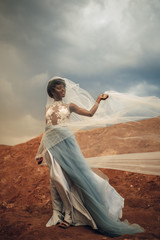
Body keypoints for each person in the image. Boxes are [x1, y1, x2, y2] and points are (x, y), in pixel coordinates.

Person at [36, 77, 145, 237]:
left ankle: (70, 215)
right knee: (55, 179)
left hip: (67, 144)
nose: (63, 90)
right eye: (60, 88)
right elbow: (47, 131)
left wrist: (98, 100)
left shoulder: (70, 106)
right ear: (52, 90)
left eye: (64, 87)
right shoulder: (47, 109)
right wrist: (39, 152)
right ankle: (57, 214)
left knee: (76, 177)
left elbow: (90, 114)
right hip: (52, 146)